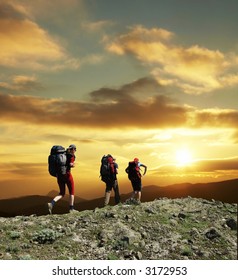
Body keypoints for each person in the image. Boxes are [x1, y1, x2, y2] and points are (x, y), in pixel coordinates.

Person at [48, 144, 77, 214]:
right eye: (75, 149)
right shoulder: (71, 156)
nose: (75, 151)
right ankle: (71, 209)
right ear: (73, 149)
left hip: (59, 175)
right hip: (67, 175)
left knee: (62, 193)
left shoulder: (63, 154)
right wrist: (73, 165)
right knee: (72, 191)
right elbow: (70, 164)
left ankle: (51, 203)